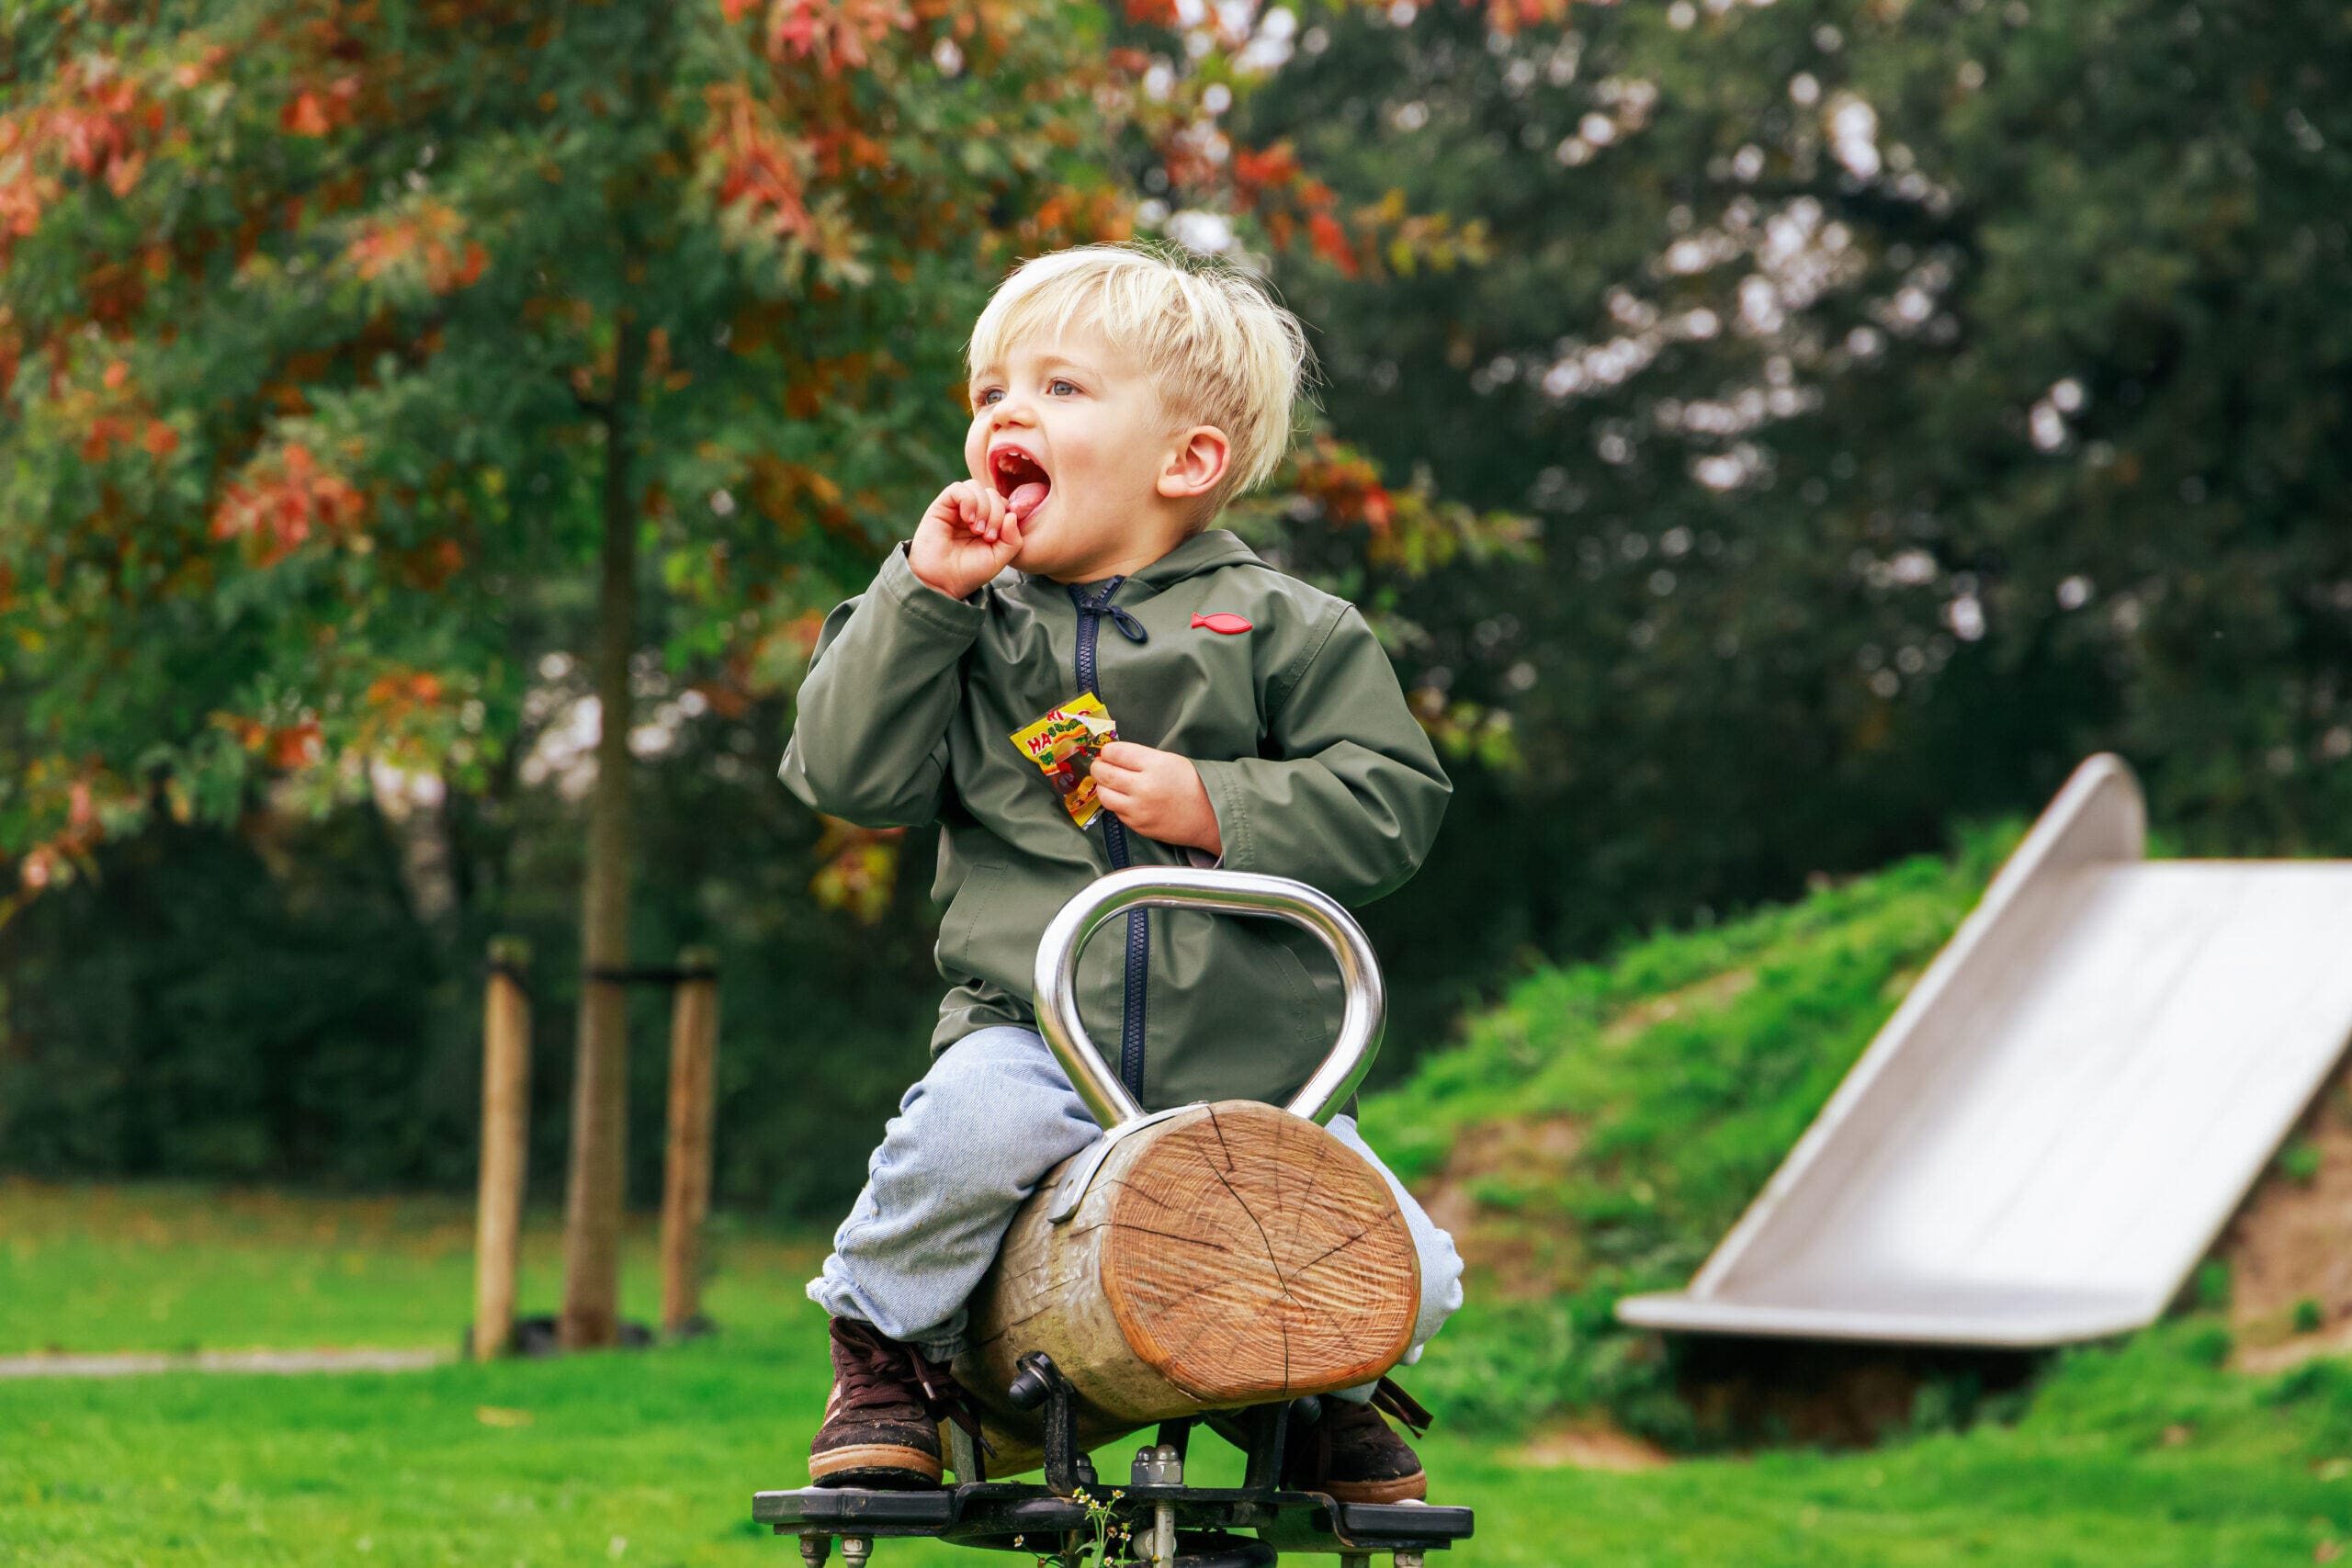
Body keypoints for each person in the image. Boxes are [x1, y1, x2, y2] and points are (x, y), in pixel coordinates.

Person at [777, 238, 1464, 1502]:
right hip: (1034, 1030)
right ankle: (885, 1354)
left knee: (1418, 1263)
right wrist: (922, 594)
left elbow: (1394, 805)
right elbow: (843, 776)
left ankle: (1316, 1399)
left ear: (1188, 460)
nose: (1005, 414)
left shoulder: (1289, 630)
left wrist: (1222, 801)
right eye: (990, 392)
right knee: (965, 1135)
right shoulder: (962, 627)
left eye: (1060, 388)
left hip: (1260, 1065)